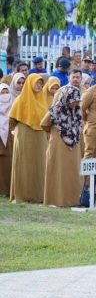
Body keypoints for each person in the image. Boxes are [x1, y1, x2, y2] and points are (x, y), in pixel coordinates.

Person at [9, 74, 48, 203]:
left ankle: (38, 195)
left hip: (40, 137)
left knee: (39, 164)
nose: (39, 86)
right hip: (24, 135)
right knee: (24, 164)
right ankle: (22, 195)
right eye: (37, 83)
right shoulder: (20, 100)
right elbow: (11, 120)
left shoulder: (42, 100)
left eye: (41, 83)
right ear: (30, 83)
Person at [41, 84, 82, 207]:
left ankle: (74, 199)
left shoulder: (77, 110)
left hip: (73, 145)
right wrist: (55, 132)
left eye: (76, 100)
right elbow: (43, 124)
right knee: (58, 170)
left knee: (73, 170)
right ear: (66, 97)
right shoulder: (55, 110)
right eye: (72, 100)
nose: (74, 103)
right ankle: (56, 199)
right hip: (58, 145)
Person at [0, 84, 14, 196]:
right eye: (2, 93)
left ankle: (8, 189)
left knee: (9, 164)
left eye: (6, 92)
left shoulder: (14, 107)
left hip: (10, 141)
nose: (5, 95)